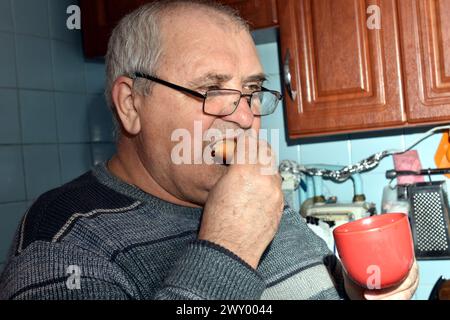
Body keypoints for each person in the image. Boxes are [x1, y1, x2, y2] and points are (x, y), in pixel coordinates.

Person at [0, 0, 418, 300]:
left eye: (252, 90)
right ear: (131, 104)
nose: (244, 116)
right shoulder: (61, 243)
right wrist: (229, 246)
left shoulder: (251, 194)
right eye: (212, 90)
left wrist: (354, 289)